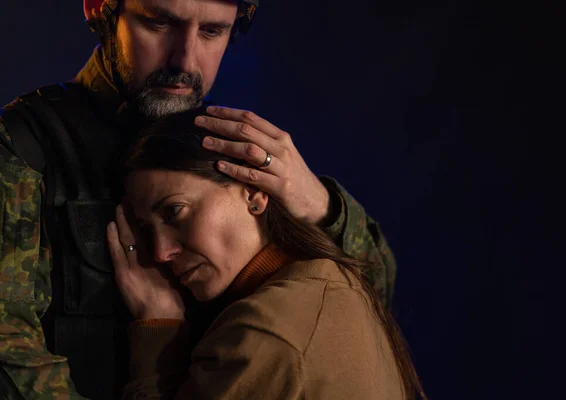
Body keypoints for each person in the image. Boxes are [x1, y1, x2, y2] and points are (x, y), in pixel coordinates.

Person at [0, 0, 397, 398]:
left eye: (212, 31)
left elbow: (368, 306)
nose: (184, 59)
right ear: (99, 9)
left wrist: (320, 206)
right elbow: (8, 352)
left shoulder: (232, 146)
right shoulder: (22, 148)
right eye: (158, 23)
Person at [107, 109, 425, 399]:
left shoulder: (262, 333)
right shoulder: (338, 280)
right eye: (147, 230)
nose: (161, 252)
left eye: (175, 211)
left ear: (254, 193)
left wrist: (158, 333)